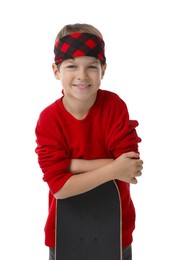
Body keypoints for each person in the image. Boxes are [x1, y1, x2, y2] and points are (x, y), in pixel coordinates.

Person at [35, 23, 143, 260]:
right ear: (56, 70)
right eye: (72, 66)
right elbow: (61, 189)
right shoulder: (49, 119)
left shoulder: (114, 107)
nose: (82, 76)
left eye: (91, 67)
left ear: (103, 69)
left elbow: (131, 167)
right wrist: (114, 168)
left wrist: (70, 165)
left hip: (116, 229)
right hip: (64, 232)